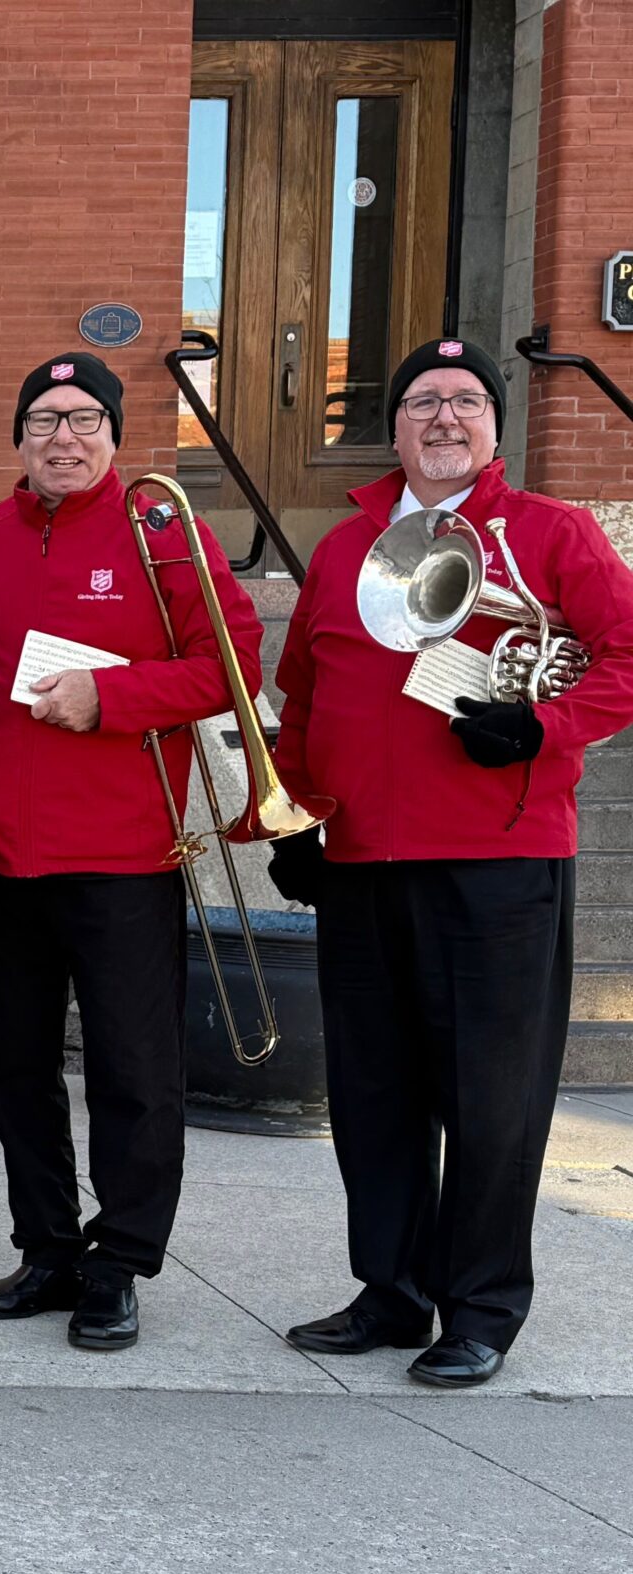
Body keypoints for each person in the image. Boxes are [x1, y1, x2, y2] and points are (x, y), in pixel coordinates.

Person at [268, 337, 633, 1387]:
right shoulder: (344, 548)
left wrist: (543, 727)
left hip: (496, 862)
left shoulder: (552, 533)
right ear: (393, 428)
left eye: (466, 401)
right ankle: (391, 1292)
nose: (444, 417)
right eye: (423, 401)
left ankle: (479, 1310)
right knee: (373, 1094)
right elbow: (305, 695)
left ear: (494, 425)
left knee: (490, 1099)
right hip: (362, 859)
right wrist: (294, 820)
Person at [0, 353, 264, 1352]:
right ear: (18, 436)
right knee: (14, 1067)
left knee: (134, 1071)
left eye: (85, 419)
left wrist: (111, 698)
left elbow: (233, 666)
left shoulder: (164, 534)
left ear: (115, 436)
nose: (64, 437)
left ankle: (119, 1262)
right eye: (44, 419)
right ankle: (46, 1249)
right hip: (7, 858)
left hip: (126, 854)